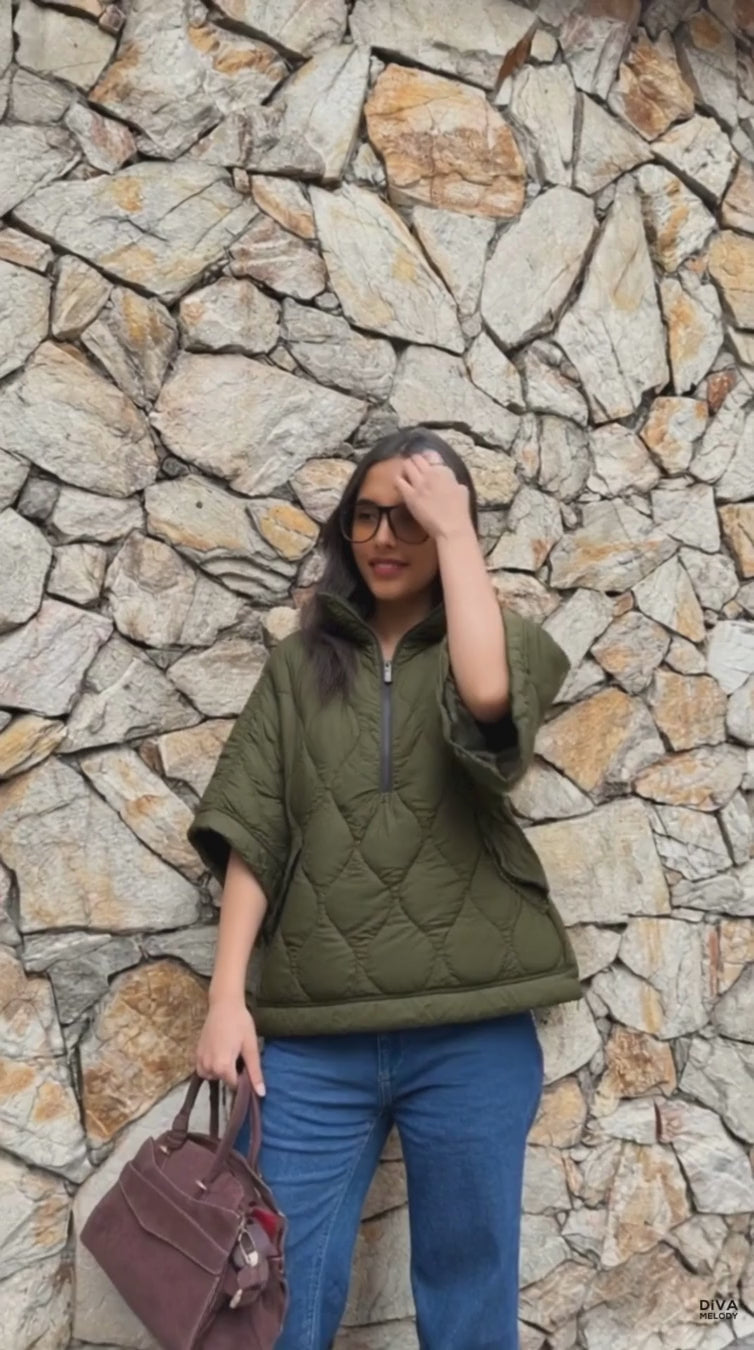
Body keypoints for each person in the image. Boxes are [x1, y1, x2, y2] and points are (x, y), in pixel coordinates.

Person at [186, 425, 582, 1350]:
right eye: (364, 517)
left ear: (451, 526)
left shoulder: (499, 644)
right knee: (271, 1292)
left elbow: (488, 701)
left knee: (470, 1292)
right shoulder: (299, 667)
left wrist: (456, 531)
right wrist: (225, 998)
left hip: (472, 1028)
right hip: (312, 1039)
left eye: (410, 518)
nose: (382, 537)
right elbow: (254, 831)